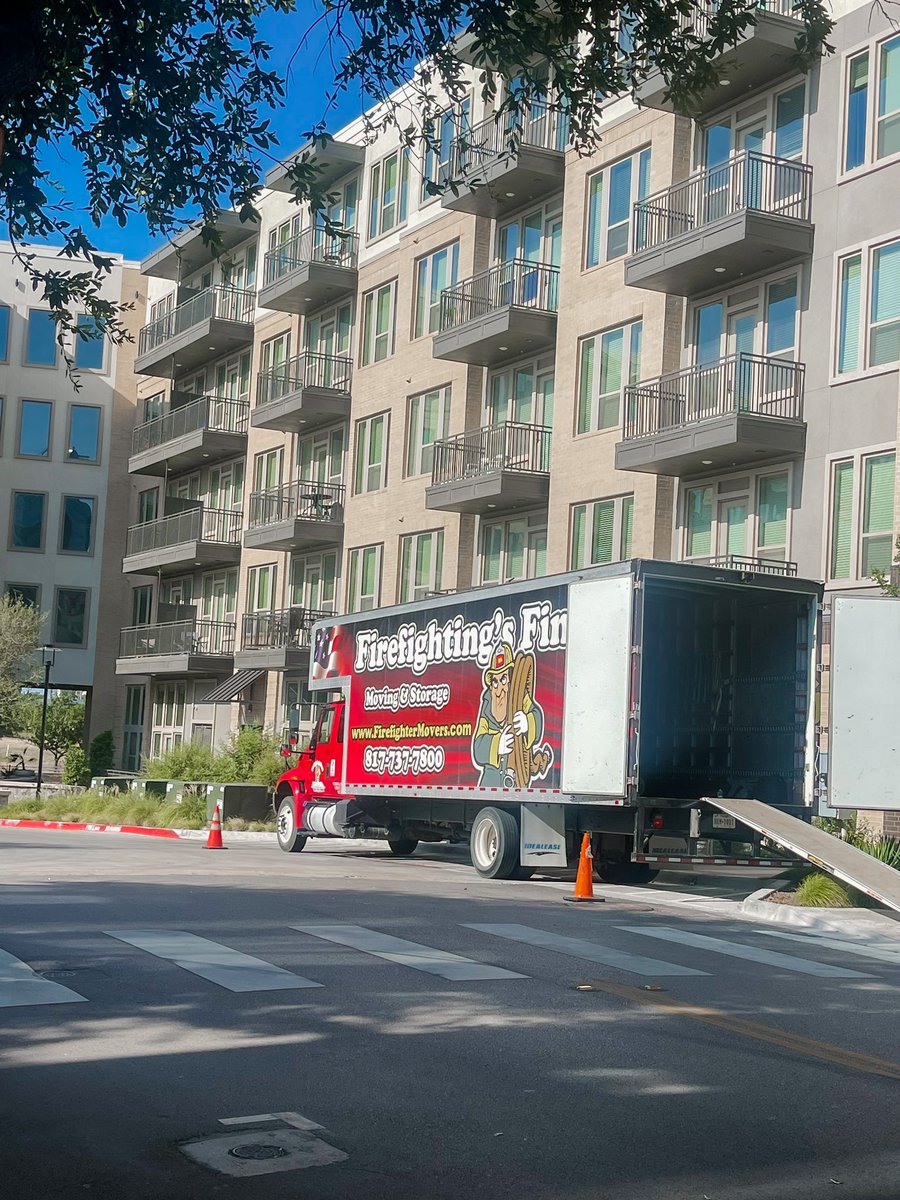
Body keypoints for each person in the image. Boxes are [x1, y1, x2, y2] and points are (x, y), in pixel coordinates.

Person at [471, 642, 544, 787]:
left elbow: (536, 715)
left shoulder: (520, 697)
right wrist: (498, 744)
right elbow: (477, 746)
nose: (499, 690)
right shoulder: (487, 705)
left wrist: (527, 723)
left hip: (516, 782)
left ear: (511, 679)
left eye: (503, 679)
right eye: (495, 682)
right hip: (489, 785)